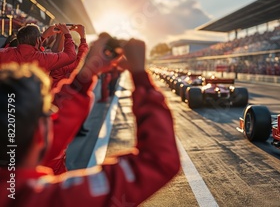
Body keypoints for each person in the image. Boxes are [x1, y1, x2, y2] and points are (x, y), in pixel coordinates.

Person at [0, 35, 180, 206]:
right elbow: (159, 160)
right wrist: (141, 77)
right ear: (40, 134)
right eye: (50, 111)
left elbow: (30, 131)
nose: (55, 114)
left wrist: (86, 75)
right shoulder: (51, 200)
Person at [0, 23, 76, 72]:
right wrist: (67, 34)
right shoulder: (42, 58)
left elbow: (30, 47)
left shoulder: (3, 53)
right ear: (38, 40)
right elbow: (70, 56)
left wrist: (43, 36)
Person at [49, 24, 88, 89]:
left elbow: (57, 52)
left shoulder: (55, 63)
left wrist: (64, 34)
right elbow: (80, 59)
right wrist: (82, 37)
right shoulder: (72, 67)